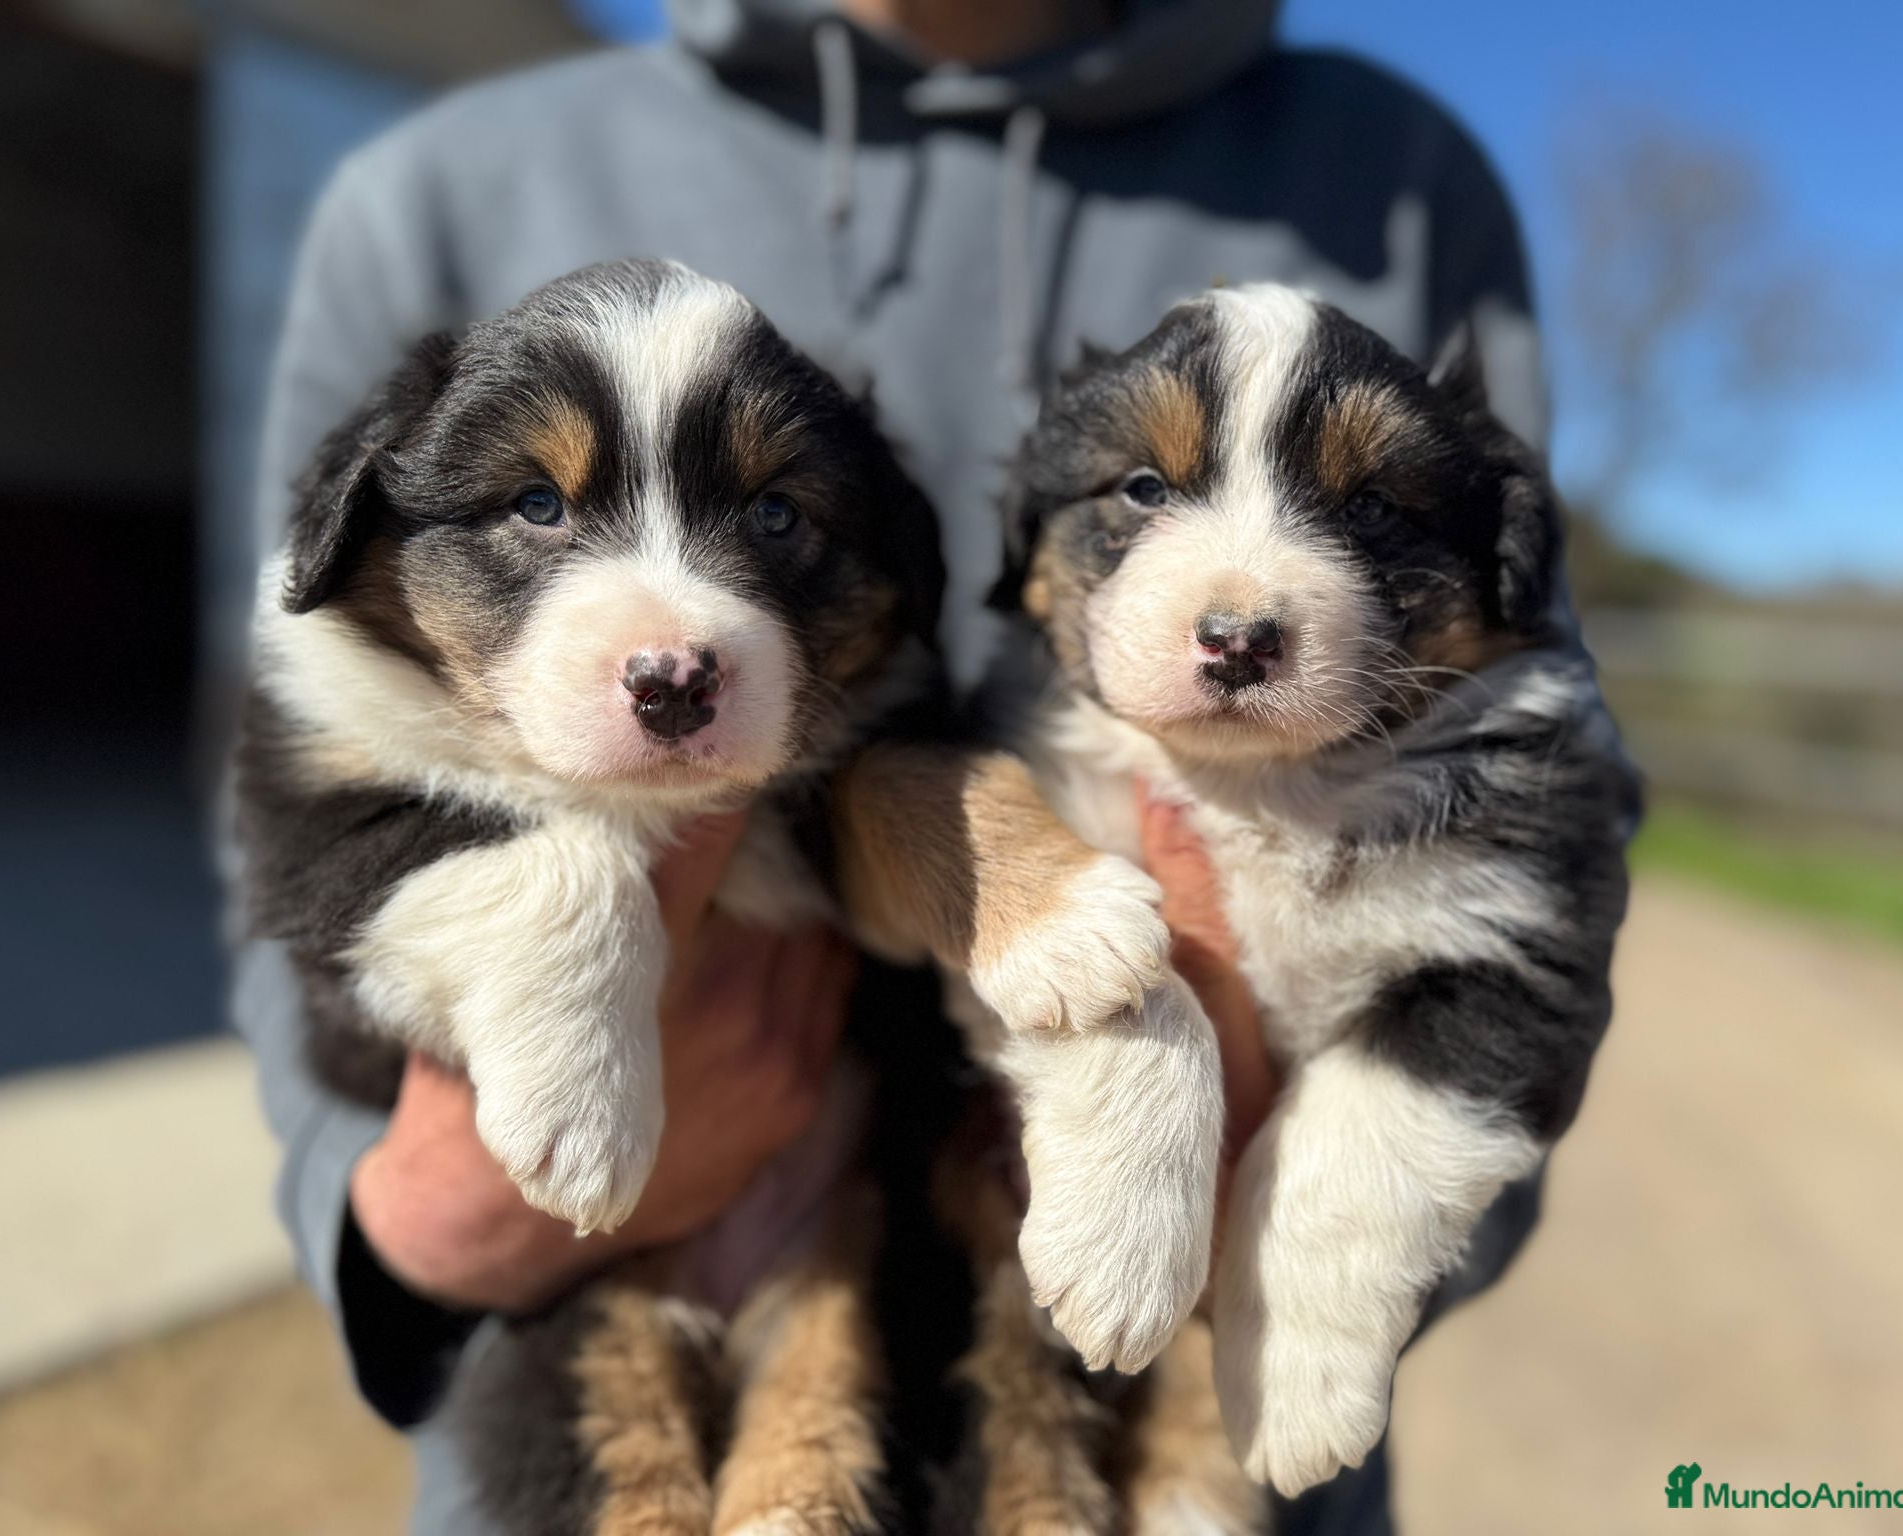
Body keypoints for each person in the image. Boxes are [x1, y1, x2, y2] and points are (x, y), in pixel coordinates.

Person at [237, 2, 1603, 1531]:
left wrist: (1319, 1258)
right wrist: (415, 1233)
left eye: (774, 521)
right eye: (541, 512)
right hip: (562, 1327)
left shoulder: (1397, 171)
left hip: (1028, 1275)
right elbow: (281, 850)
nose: (673, 624)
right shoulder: (430, 188)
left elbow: (1541, 814)